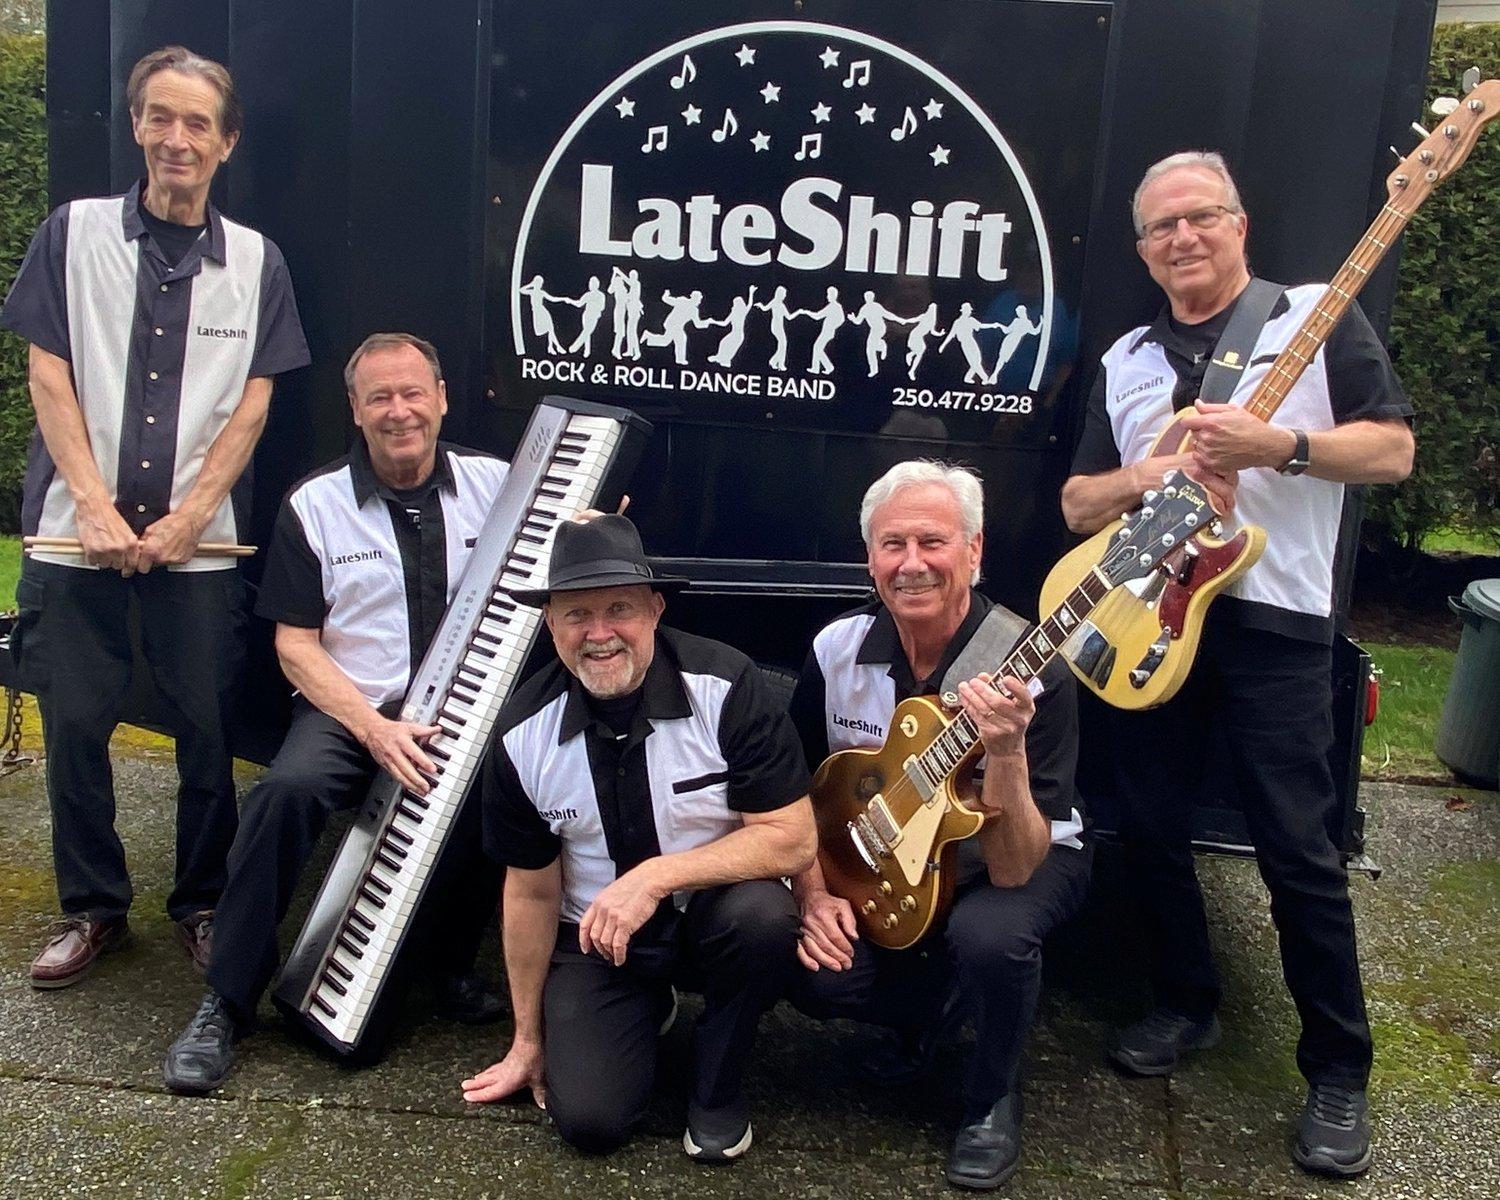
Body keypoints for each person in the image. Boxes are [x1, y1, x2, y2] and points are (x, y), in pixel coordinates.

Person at [1060, 150, 1415, 1178]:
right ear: (1142, 250)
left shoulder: (1313, 317)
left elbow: (1393, 452)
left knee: (1297, 848)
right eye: (1162, 227)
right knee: (1150, 825)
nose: (1183, 238)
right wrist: (1154, 472)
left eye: (1201, 216)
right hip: (1147, 620)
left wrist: (1279, 449)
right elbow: (1079, 504)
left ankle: (1338, 1069)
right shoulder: (1128, 358)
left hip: (1273, 624)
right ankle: (1185, 1000)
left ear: (1239, 223)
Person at [2, 46, 309, 989]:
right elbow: (47, 372)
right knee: (75, 728)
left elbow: (254, 402)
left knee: (210, 733)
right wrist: (94, 507)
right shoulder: (73, 233)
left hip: (200, 547)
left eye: (198, 123)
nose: (179, 138)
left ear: (227, 141)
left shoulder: (256, 261)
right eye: (161, 118)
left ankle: (202, 902)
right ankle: (94, 909)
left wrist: (190, 518)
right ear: (136, 125)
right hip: (74, 534)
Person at [161, 333, 508, 1094]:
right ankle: (226, 1002)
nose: (399, 411)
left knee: (508, 783)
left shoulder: (498, 484)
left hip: (467, 702)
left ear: (442, 398)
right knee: (286, 793)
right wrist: (373, 729)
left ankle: (450, 966)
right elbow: (295, 646)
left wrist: (594, 521)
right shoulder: (314, 504)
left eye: (413, 392)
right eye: (380, 397)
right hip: (352, 707)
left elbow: (562, 551)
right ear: (355, 409)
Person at [461, 515, 816, 1163]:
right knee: (589, 1122)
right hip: (599, 942)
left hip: (713, 915)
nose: (599, 633)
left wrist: (654, 877)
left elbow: (791, 840)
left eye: (619, 608)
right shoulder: (520, 734)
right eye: (577, 614)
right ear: (549, 623)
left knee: (765, 918)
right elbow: (531, 893)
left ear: (655, 609)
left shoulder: (726, 686)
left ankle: (717, 1089)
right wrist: (527, 1039)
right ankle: (645, 1005)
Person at [786, 461, 1091, 1191]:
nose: (912, 563)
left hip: (1017, 848)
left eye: (933, 541)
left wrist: (1007, 750)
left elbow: (1017, 864)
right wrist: (812, 894)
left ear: (974, 551)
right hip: (897, 854)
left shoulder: (1032, 669)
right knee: (811, 966)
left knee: (990, 937)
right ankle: (930, 1017)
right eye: (893, 545)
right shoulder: (836, 650)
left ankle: (991, 1097)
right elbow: (791, 787)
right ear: (870, 559)